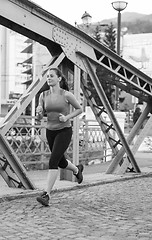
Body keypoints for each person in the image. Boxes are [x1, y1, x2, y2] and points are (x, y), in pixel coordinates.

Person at [36, 67, 83, 206]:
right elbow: (40, 117)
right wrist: (39, 113)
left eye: (51, 76)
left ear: (59, 78)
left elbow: (79, 109)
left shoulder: (66, 95)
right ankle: (77, 169)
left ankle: (46, 195)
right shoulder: (43, 95)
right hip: (50, 131)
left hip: (64, 131)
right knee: (61, 162)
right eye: (47, 76)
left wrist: (66, 117)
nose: (48, 78)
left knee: (53, 161)